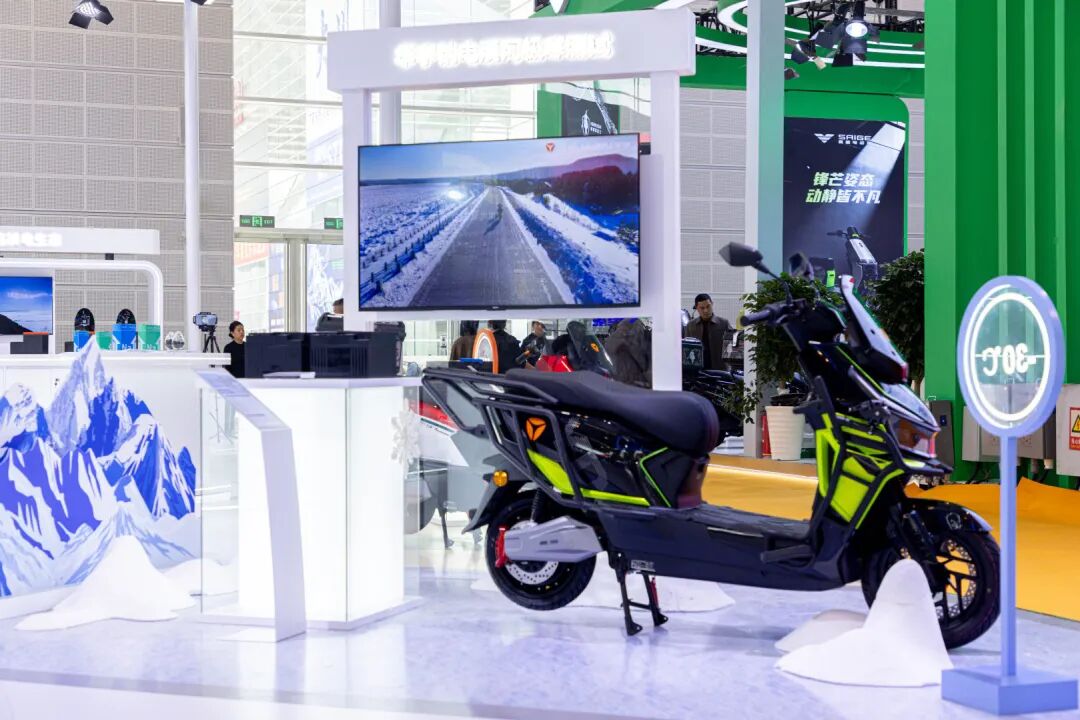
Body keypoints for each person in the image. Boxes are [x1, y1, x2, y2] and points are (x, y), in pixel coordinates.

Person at [684, 293, 732, 371]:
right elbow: (686, 349)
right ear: (696, 308)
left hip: (720, 370)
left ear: (712, 304)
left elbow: (732, 347)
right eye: (702, 308)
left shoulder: (724, 323)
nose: (706, 310)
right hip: (697, 370)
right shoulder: (691, 325)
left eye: (708, 306)